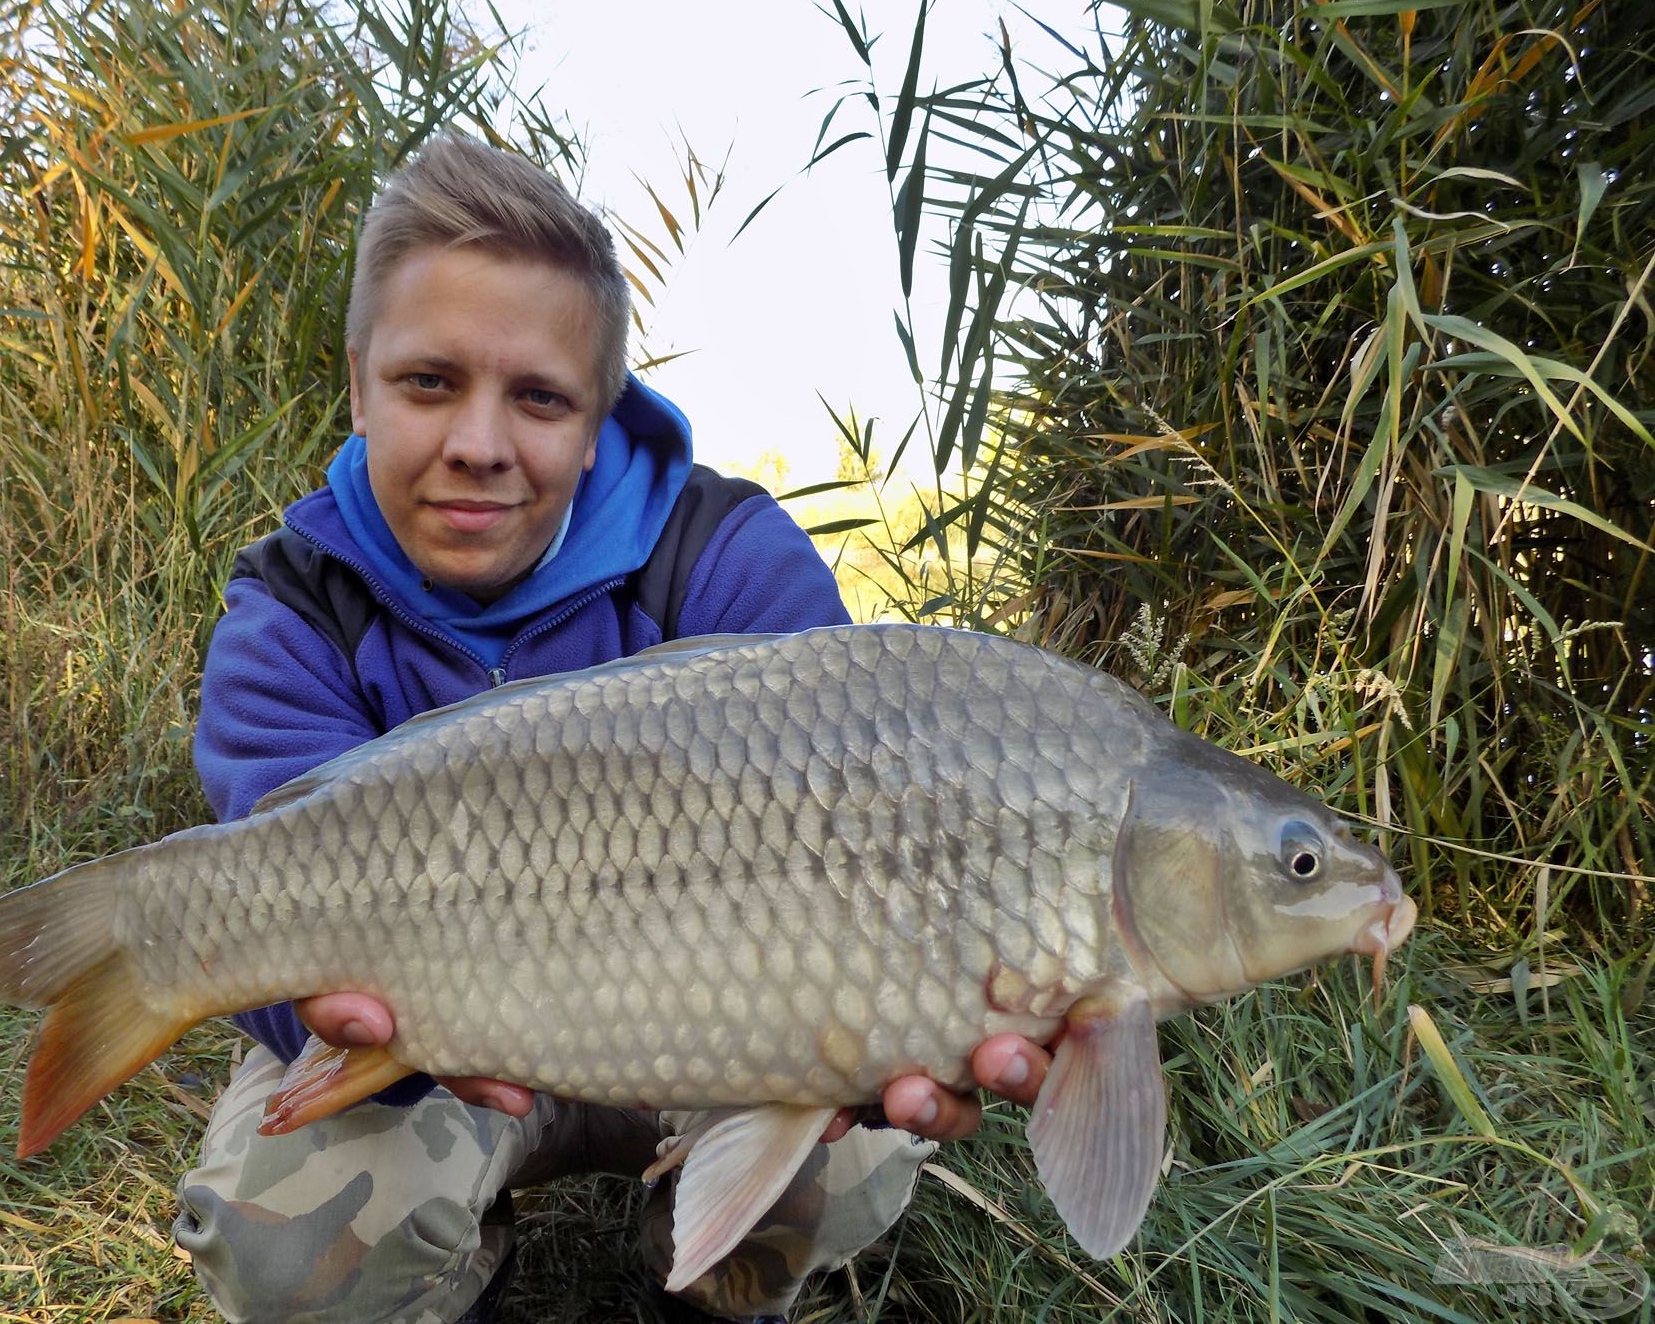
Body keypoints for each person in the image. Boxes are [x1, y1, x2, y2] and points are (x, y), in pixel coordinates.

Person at [171, 134, 1053, 1324]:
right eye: (431, 381)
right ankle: (452, 1280)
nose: (480, 443)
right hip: (434, 1038)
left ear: (598, 420)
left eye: (538, 397)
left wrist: (903, 997)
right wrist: (345, 1016)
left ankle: (706, 1291)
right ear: (358, 382)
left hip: (709, 1029)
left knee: (847, 1154)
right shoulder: (295, 607)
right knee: (285, 1241)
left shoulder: (725, 559)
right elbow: (270, 928)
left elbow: (867, 842)